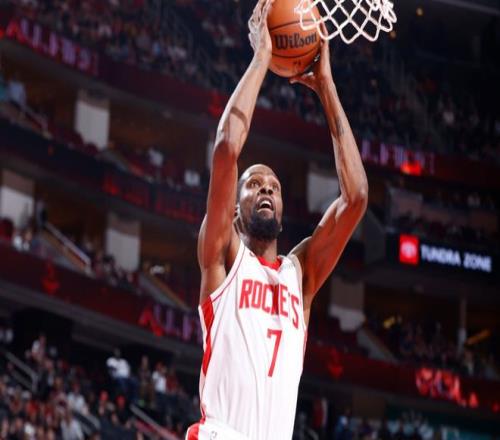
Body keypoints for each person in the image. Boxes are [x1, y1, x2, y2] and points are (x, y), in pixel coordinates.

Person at [185, 0, 368, 439]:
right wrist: (262, 58)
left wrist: (326, 87)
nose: (266, 188)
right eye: (254, 184)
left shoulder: (299, 274)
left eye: (274, 186)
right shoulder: (222, 257)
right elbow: (227, 148)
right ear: (234, 210)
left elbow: (357, 197)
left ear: (284, 211)